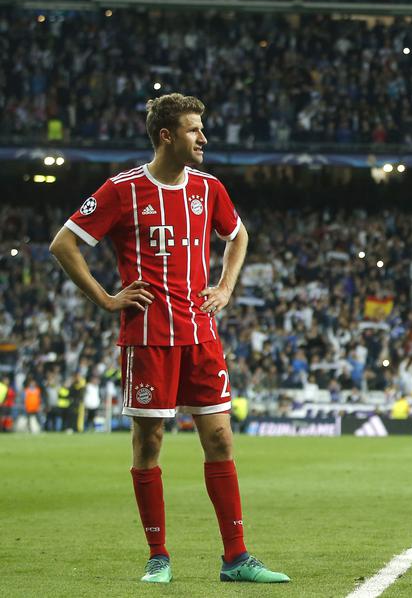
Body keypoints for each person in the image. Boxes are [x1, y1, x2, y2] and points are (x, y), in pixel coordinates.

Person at [49, 93, 289, 585]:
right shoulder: (122, 190)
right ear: (166, 136)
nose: (203, 138)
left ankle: (237, 558)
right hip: (148, 337)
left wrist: (225, 287)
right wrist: (106, 298)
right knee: (149, 441)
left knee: (220, 437)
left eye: (202, 129)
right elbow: (64, 243)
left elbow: (237, 236)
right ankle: (158, 555)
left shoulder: (209, 188)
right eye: (193, 130)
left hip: (201, 334)